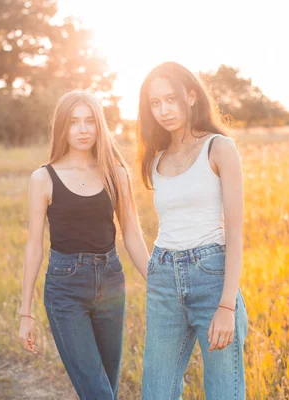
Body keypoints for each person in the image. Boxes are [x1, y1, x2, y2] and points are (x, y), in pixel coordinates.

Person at [18, 90, 149, 399]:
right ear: (62, 127)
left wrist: (157, 282)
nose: (83, 129)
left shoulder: (116, 173)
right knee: (99, 393)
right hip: (65, 290)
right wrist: (26, 313)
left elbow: (132, 234)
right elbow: (34, 247)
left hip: (111, 283)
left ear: (100, 125)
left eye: (90, 121)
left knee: (106, 388)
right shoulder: (43, 178)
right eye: (74, 122)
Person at [137, 62, 249, 399]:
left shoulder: (219, 148)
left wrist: (227, 305)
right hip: (163, 280)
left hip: (212, 277)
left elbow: (235, 230)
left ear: (190, 96)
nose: (163, 110)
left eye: (170, 99)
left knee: (222, 392)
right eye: (155, 103)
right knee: (156, 392)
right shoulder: (155, 160)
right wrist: (159, 276)